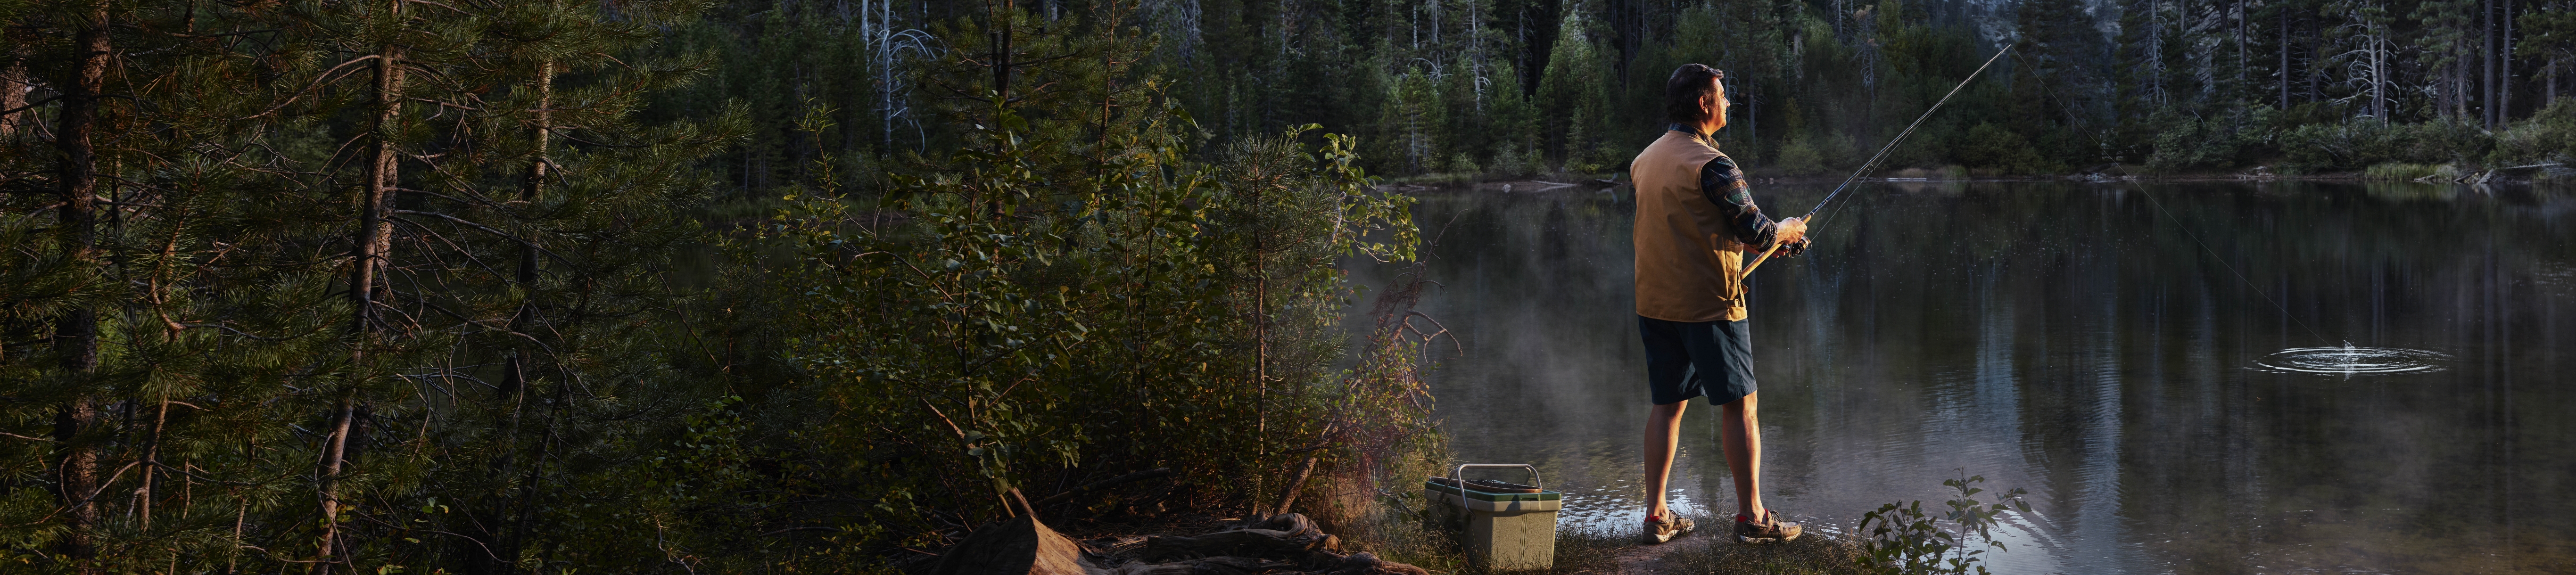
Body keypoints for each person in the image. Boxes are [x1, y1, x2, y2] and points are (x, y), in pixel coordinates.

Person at [1629, 63, 1808, 545]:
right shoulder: (1714, 164)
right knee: (1741, 406)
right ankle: (1752, 517)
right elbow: (1760, 232)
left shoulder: (1645, 160)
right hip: (1710, 305)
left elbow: (1691, 222)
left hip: (1654, 302)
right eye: (1723, 95)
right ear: (1704, 104)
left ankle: (1656, 516)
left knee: (1667, 406)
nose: (1728, 102)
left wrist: (1751, 244)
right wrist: (1787, 231)